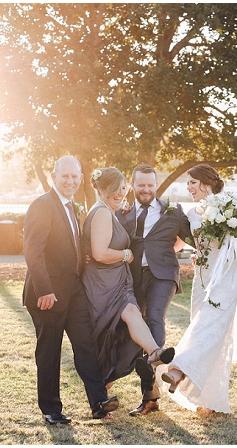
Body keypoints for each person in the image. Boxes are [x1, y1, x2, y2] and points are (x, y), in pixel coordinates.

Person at [22, 156, 118, 424]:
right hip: (47, 295)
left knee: (86, 345)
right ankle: (51, 409)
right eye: (65, 176)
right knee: (50, 351)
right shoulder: (42, 206)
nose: (71, 181)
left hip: (73, 290)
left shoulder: (73, 207)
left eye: (75, 176)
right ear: (54, 177)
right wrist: (44, 290)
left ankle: (99, 402)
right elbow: (33, 251)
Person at [154, 164, 237, 415]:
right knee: (211, 334)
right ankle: (209, 400)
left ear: (206, 184)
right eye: (188, 184)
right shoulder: (191, 213)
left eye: (193, 183)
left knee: (209, 327)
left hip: (228, 275)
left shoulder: (230, 206)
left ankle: (177, 370)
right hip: (203, 276)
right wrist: (154, 256)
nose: (189, 188)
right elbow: (181, 242)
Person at [81, 167, 175, 414]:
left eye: (123, 188)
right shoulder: (102, 212)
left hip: (117, 282)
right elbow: (100, 253)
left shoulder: (111, 211)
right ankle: (101, 396)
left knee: (133, 317)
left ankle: (154, 352)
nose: (121, 193)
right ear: (101, 189)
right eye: (116, 189)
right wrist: (126, 255)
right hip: (105, 283)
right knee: (110, 336)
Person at [118, 164, 192, 417]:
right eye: (141, 185)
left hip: (163, 275)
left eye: (150, 185)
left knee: (155, 317)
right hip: (133, 279)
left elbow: (194, 237)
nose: (146, 189)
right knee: (134, 329)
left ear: (155, 185)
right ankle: (150, 397)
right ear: (132, 185)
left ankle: (153, 356)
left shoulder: (173, 211)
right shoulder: (122, 214)